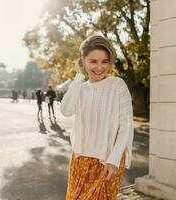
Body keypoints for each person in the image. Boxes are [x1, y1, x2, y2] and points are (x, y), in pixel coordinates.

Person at [60, 35, 134, 199]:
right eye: (93, 61)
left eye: (104, 61)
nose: (99, 67)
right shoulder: (80, 87)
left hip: (107, 161)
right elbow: (65, 110)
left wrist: (114, 160)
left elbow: (126, 125)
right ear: (83, 61)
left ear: (110, 62)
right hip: (80, 159)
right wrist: (78, 76)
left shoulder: (117, 85)